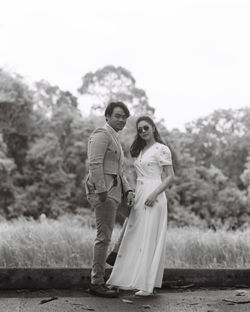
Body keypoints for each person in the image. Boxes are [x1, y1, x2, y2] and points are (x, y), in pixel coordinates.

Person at [106, 115, 175, 296]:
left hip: (155, 194)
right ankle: (123, 279)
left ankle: (146, 284)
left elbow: (170, 176)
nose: (143, 131)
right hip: (140, 194)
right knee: (133, 236)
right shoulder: (142, 150)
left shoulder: (162, 149)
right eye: (140, 129)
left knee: (149, 238)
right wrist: (134, 194)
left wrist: (154, 194)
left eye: (146, 127)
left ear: (153, 127)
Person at [85, 101, 135, 298]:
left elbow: (119, 170)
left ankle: (115, 253)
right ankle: (97, 282)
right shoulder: (101, 134)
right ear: (107, 116)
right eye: (118, 116)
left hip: (116, 191)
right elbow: (94, 163)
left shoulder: (115, 138)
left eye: (124, 117)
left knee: (136, 215)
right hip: (104, 192)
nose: (122, 120)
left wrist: (129, 189)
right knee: (103, 236)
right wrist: (101, 190)